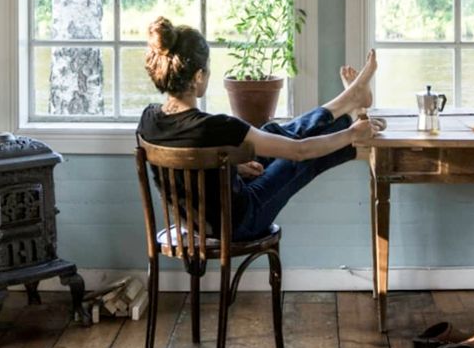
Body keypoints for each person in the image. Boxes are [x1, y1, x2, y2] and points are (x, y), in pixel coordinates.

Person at [137, 16, 381, 241]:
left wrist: (233, 167)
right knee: (299, 159)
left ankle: (350, 104)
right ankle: (353, 125)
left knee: (272, 131)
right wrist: (350, 134)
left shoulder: (148, 119)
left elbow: (188, 167)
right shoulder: (215, 127)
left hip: (194, 223)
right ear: (199, 76)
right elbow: (299, 151)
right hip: (241, 222)